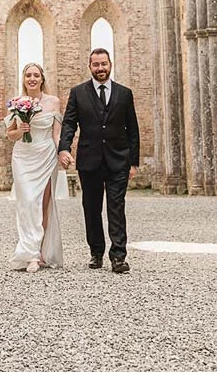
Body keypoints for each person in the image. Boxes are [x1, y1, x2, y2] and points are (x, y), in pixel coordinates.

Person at [58, 48, 139, 273]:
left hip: (118, 160)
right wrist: (64, 148)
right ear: (90, 67)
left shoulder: (124, 93)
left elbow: (133, 129)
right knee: (91, 209)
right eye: (96, 65)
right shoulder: (78, 93)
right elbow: (69, 123)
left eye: (104, 64)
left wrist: (133, 162)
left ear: (110, 65)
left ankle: (118, 256)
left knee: (116, 207)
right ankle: (96, 252)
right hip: (89, 160)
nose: (100, 68)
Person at [5, 62, 64, 272]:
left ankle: (38, 253)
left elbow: (56, 134)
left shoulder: (54, 102)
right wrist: (21, 130)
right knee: (27, 201)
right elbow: (10, 134)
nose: (32, 79)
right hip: (23, 156)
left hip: (46, 155)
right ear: (24, 79)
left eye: (36, 75)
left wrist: (63, 153)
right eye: (28, 75)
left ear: (42, 78)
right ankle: (28, 251)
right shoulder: (17, 102)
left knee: (43, 204)